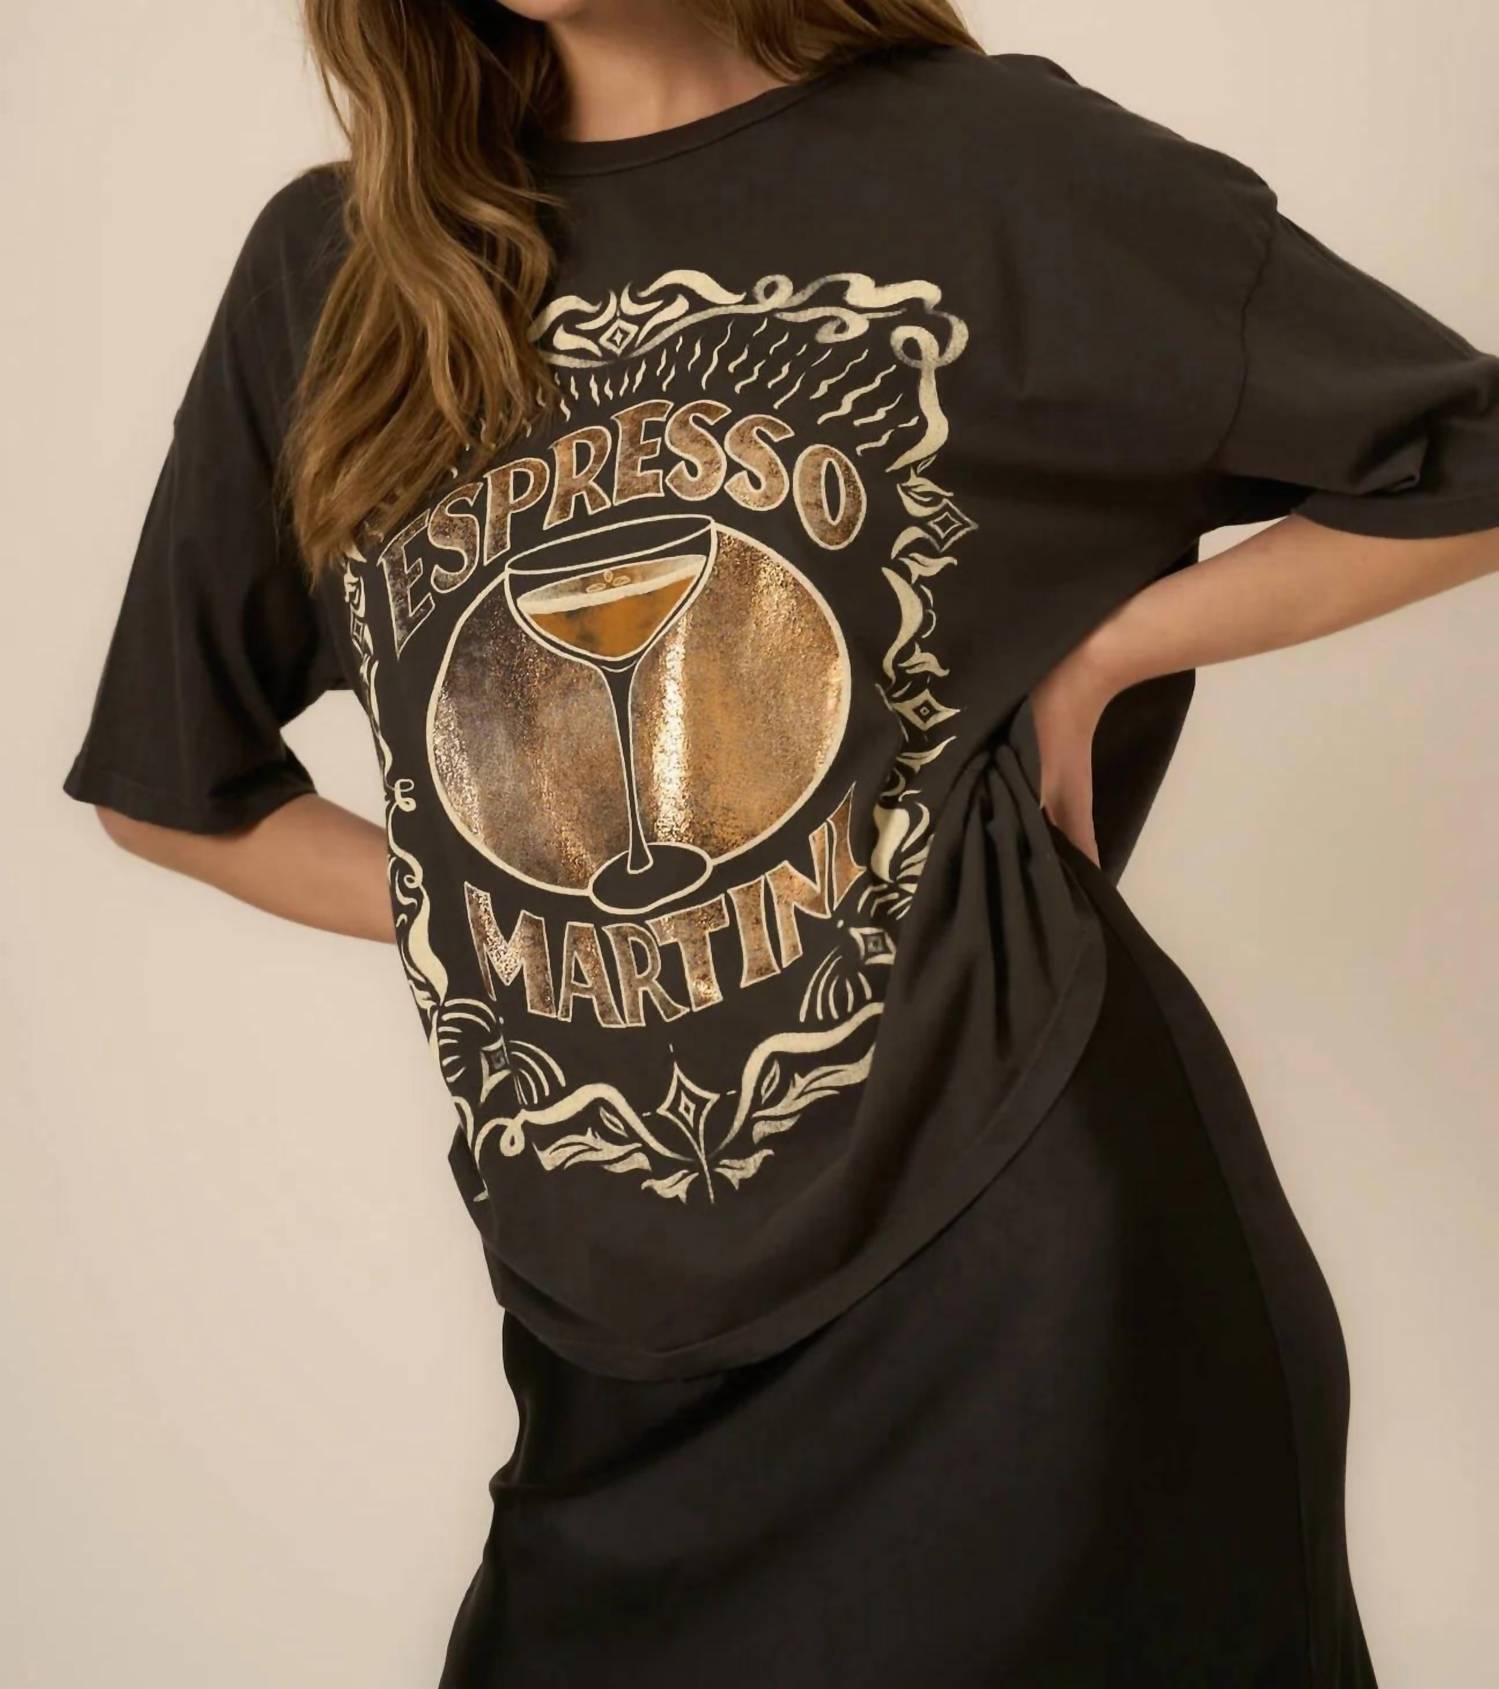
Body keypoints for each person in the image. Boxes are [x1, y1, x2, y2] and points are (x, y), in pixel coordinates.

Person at [61, 3, 1499, 1684]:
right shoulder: (339, 272)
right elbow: (172, 781)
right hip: (609, 1375)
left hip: (1025, 1301)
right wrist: (484, 890)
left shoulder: (989, 169)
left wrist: (1115, 648)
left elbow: (1467, 451)